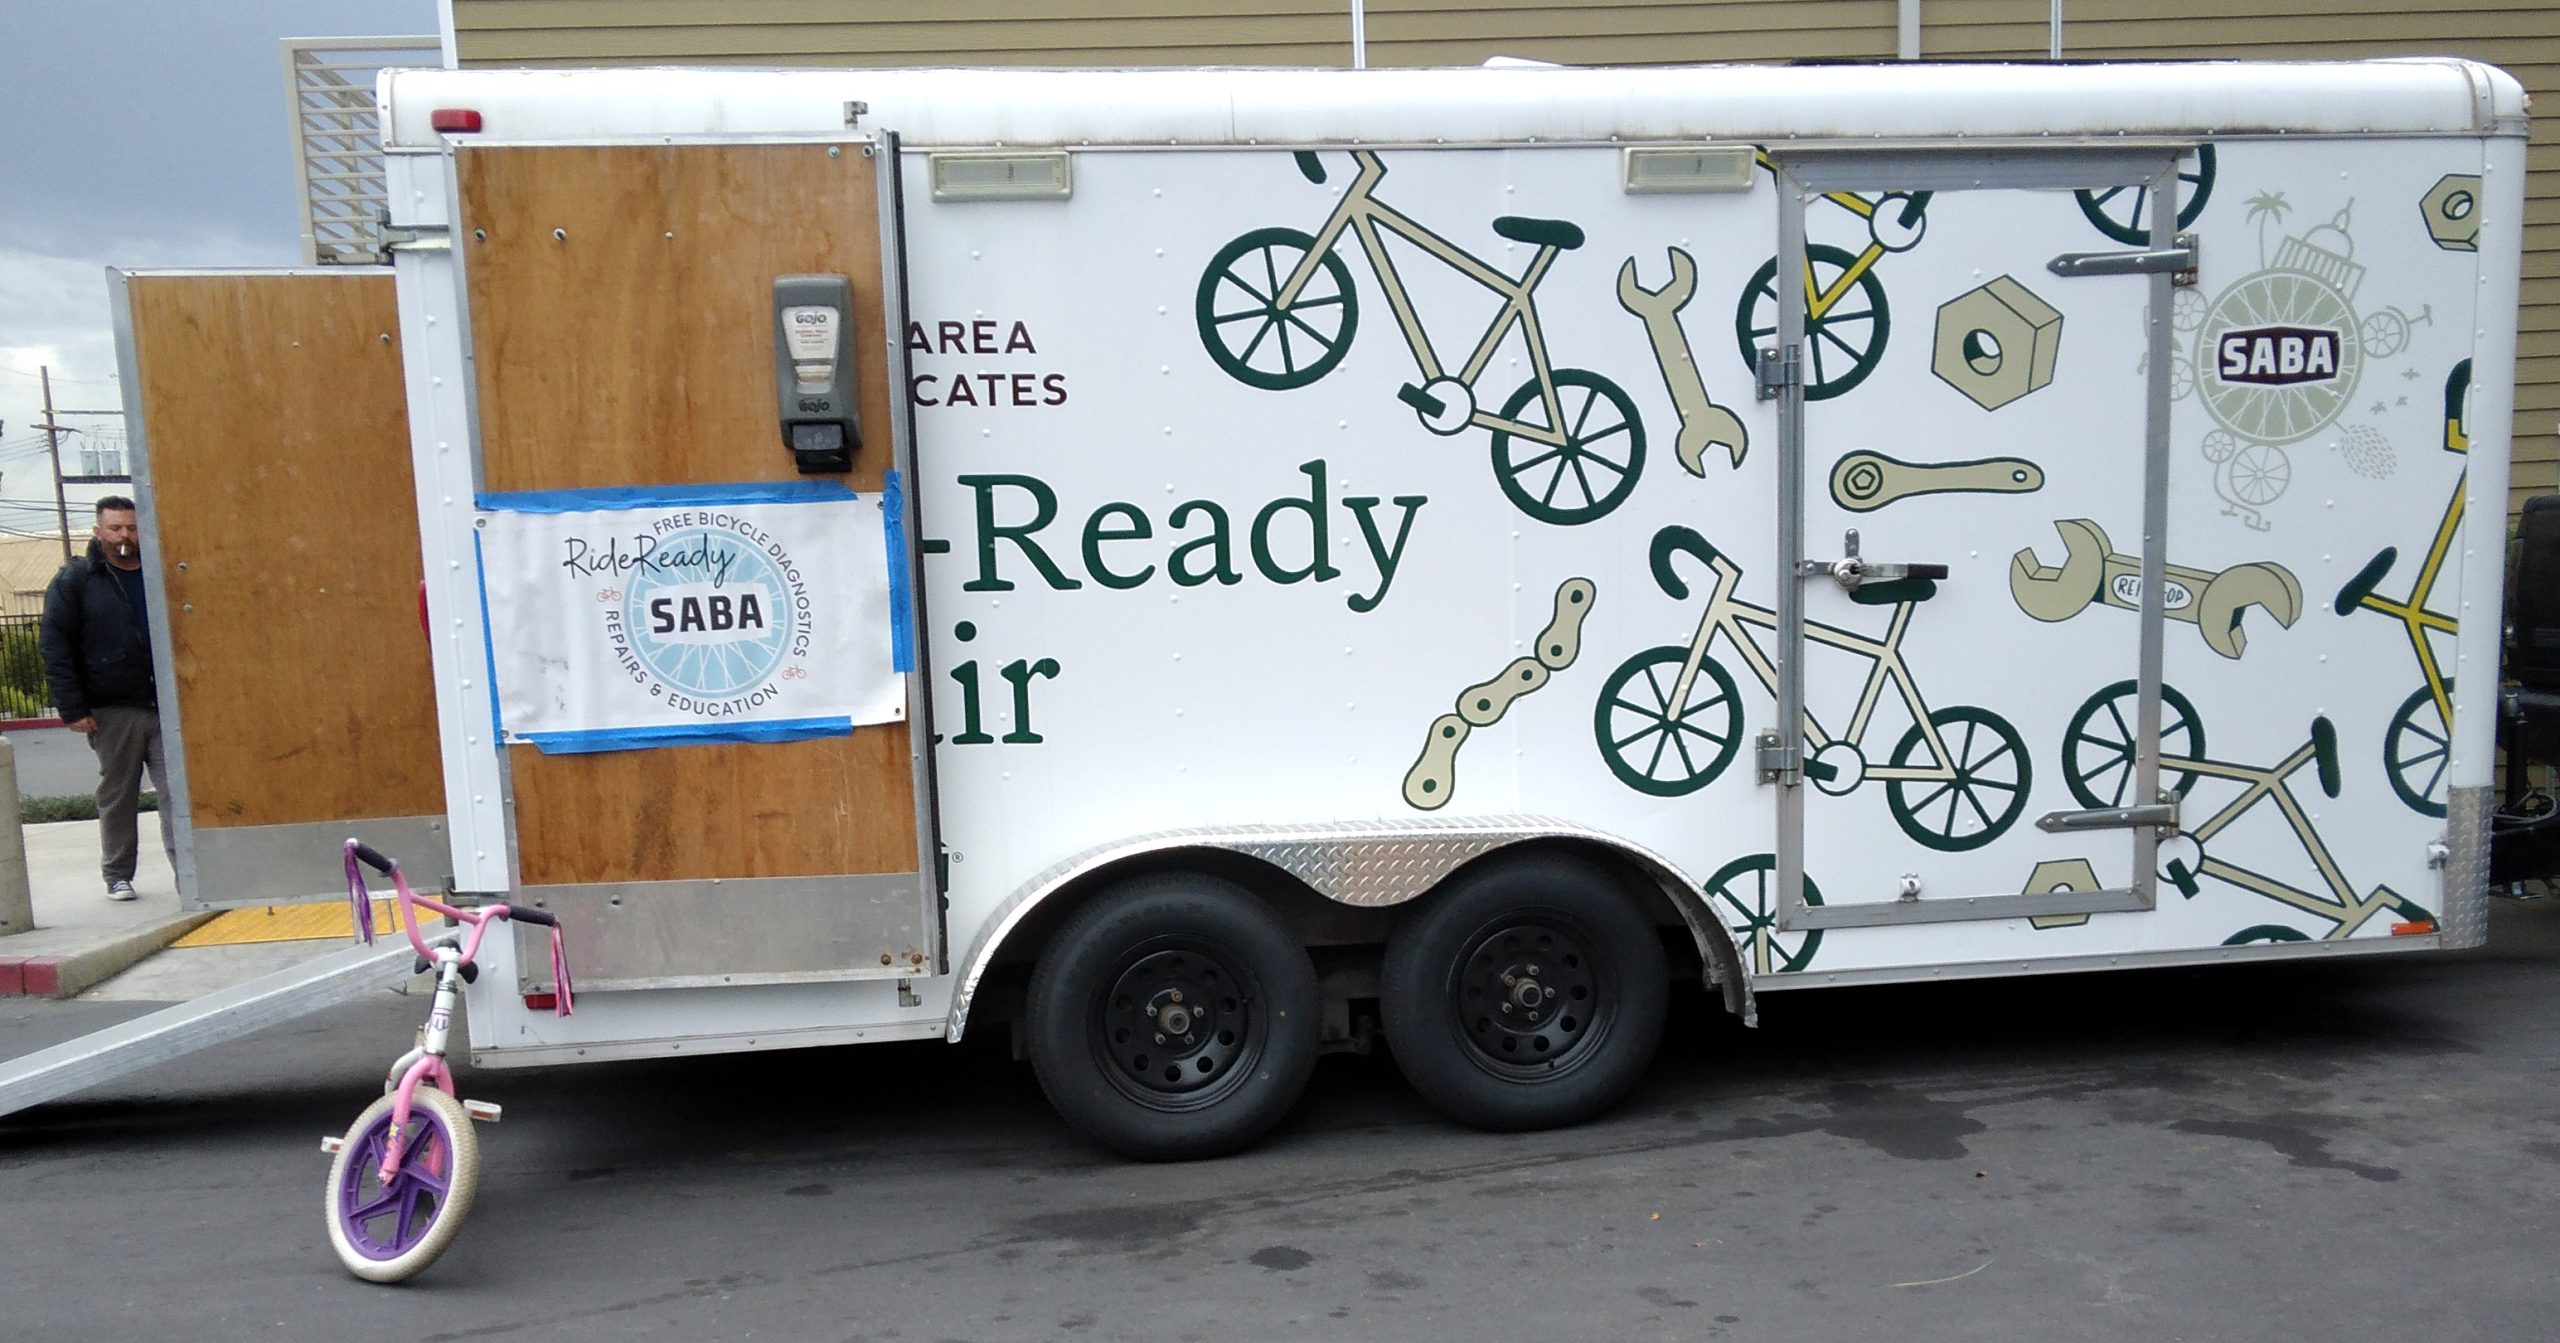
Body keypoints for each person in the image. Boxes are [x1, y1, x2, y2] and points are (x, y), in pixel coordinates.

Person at [39, 497, 171, 902]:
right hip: (113, 709)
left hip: (167, 706)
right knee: (118, 795)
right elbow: (55, 645)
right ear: (99, 533)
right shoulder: (77, 580)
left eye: (131, 527)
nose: (124, 536)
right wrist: (73, 708)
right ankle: (117, 874)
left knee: (176, 795)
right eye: (115, 528)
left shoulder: (161, 574)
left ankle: (192, 873)